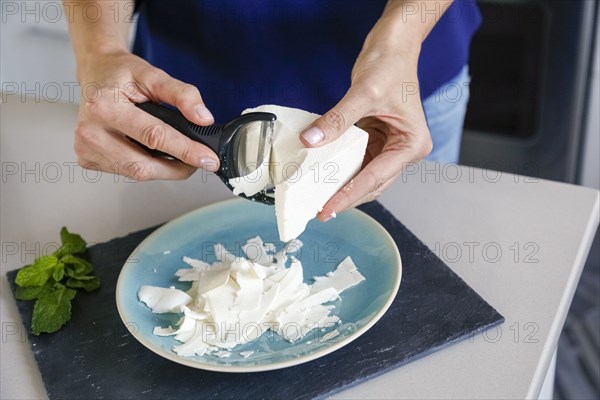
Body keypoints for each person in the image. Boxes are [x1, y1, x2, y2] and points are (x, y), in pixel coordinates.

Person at [65, 0, 480, 221]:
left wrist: (403, 35)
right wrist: (99, 49)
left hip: (396, 94)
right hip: (191, 108)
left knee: (421, 254)